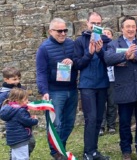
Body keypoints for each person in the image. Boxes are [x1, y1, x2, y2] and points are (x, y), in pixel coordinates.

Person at [104, 16, 137, 160]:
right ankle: (126, 150)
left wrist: (135, 56)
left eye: (133, 26)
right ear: (122, 29)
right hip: (124, 90)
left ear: (136, 28)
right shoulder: (114, 44)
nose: (130, 29)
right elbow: (108, 59)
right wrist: (125, 55)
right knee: (124, 123)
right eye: (127, 26)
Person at [36, 18, 78, 160]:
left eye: (65, 30)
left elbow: (79, 62)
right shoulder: (44, 48)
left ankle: (61, 148)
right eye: (59, 31)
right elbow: (41, 72)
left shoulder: (72, 44)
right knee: (55, 124)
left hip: (72, 90)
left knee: (69, 123)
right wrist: (44, 91)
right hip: (54, 91)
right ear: (50, 31)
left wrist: (73, 62)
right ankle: (56, 153)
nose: (63, 33)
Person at [73, 12, 111, 160]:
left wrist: (100, 52)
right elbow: (77, 64)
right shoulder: (80, 41)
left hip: (102, 84)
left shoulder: (106, 40)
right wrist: (89, 54)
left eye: (99, 23)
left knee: (98, 119)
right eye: (93, 23)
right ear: (87, 23)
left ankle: (94, 151)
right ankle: (87, 153)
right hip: (87, 85)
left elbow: (109, 61)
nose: (96, 26)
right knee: (91, 118)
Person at [0, 67, 36, 157]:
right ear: (6, 79)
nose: (17, 81)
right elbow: (4, 112)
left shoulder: (21, 89)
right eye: (14, 79)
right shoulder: (4, 94)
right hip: (17, 124)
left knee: (27, 143)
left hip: (22, 121)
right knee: (26, 142)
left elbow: (24, 102)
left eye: (19, 79)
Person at [100, 28, 117, 136]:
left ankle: (111, 125)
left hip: (113, 79)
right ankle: (101, 126)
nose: (106, 35)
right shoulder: (98, 47)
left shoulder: (115, 46)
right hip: (101, 79)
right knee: (101, 104)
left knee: (112, 103)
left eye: (108, 33)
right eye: (104, 33)